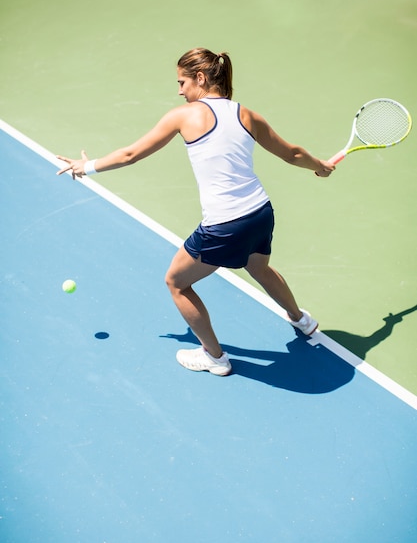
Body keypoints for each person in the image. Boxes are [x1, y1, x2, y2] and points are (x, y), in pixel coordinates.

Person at [57, 47, 335, 377]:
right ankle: (302, 320)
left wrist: (86, 167)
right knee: (259, 267)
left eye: (181, 82)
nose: (179, 90)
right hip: (260, 212)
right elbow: (292, 153)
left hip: (226, 224)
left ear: (200, 79)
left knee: (176, 282)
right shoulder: (247, 114)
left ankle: (215, 358)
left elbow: (131, 153)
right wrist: (319, 166)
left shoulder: (184, 116)